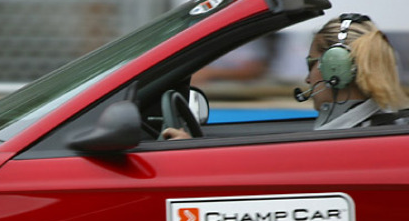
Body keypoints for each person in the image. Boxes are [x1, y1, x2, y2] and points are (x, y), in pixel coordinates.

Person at [163, 13, 409, 139]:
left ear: (338, 71)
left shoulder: (355, 139)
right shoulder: (367, 127)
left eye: (312, 65)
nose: (307, 79)